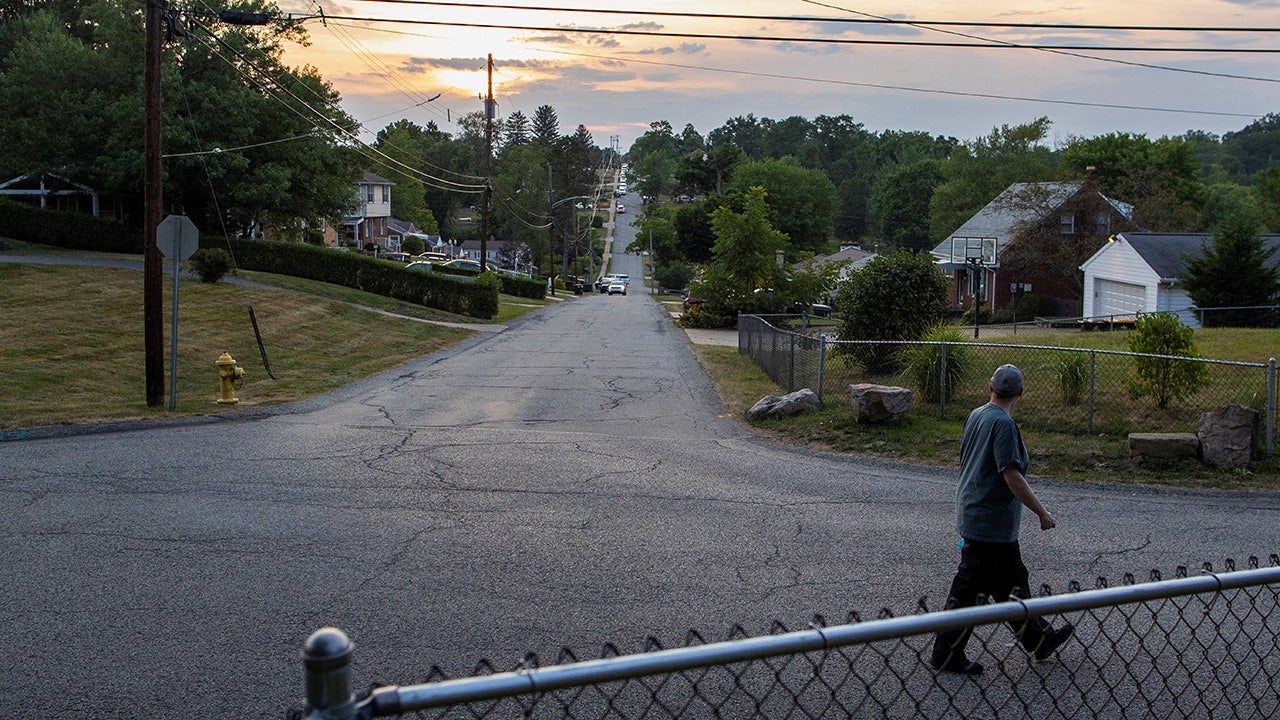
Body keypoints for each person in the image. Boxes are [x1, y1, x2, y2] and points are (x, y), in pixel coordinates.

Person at [930, 364, 1074, 675]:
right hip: (988, 522)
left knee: (1012, 581)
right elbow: (1012, 475)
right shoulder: (1004, 426)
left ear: (990, 386)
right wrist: (1042, 512)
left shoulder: (977, 414)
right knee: (969, 588)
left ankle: (1039, 639)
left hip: (980, 514)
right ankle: (945, 652)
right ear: (1021, 392)